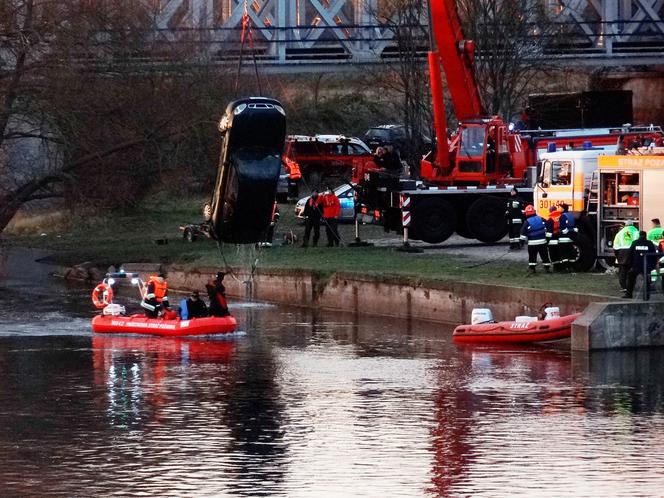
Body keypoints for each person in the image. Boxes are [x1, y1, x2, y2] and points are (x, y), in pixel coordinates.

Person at [623, 231, 657, 298]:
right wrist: (652, 266)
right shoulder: (649, 243)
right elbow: (654, 255)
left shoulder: (635, 243)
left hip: (636, 266)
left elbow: (630, 254)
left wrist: (630, 265)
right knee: (647, 281)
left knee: (631, 279)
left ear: (639, 235)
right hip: (646, 266)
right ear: (645, 235)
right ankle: (646, 296)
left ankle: (629, 294)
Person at [520, 204, 551, 274]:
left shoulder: (527, 222)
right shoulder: (541, 218)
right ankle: (547, 268)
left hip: (532, 243)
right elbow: (548, 227)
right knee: (544, 256)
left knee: (532, 257)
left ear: (527, 213)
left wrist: (521, 243)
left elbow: (523, 233)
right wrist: (548, 239)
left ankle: (532, 269)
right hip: (543, 242)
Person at [613, 220, 639, 291]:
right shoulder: (636, 232)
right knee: (632, 270)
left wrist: (617, 256)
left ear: (625, 225)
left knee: (623, 270)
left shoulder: (620, 233)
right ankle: (631, 286)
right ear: (632, 225)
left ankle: (624, 286)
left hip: (622, 252)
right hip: (633, 252)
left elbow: (615, 246)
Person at [558, 203, 578, 271]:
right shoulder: (571, 215)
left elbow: (562, 227)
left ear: (563, 208)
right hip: (571, 239)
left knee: (563, 254)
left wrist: (566, 233)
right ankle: (571, 267)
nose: (559, 209)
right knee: (570, 253)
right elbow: (574, 227)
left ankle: (565, 267)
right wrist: (572, 234)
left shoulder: (562, 216)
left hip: (563, 238)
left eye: (560, 207)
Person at [545, 205, 562, 270]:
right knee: (559, 253)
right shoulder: (560, 217)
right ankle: (560, 266)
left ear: (550, 211)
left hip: (552, 239)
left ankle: (556, 267)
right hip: (559, 237)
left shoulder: (550, 219)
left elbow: (549, 233)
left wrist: (547, 241)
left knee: (553, 254)